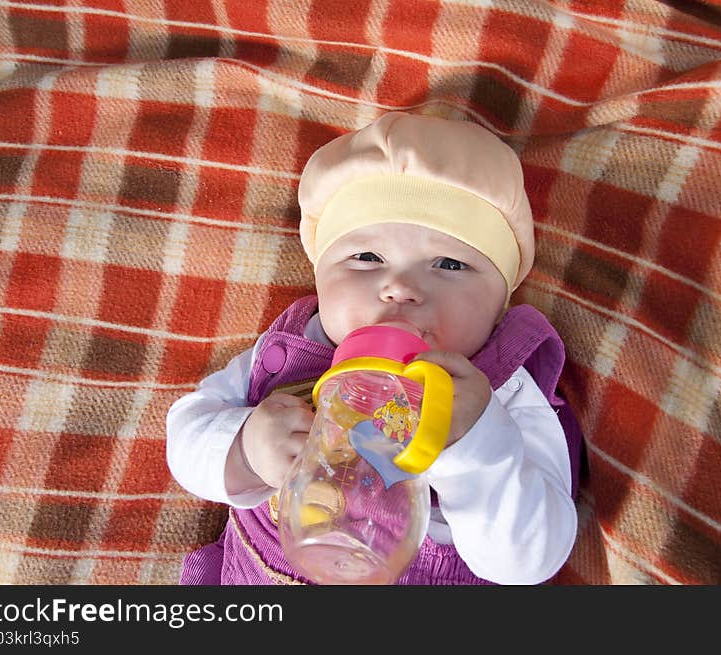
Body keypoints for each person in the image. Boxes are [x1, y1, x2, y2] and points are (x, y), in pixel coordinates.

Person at [166, 111, 583, 585]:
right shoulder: (292, 350)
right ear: (320, 277)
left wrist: (475, 446)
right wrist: (245, 450)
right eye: (366, 258)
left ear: (499, 307)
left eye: (449, 264)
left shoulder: (503, 394)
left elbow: (531, 561)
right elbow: (185, 434)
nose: (400, 287)